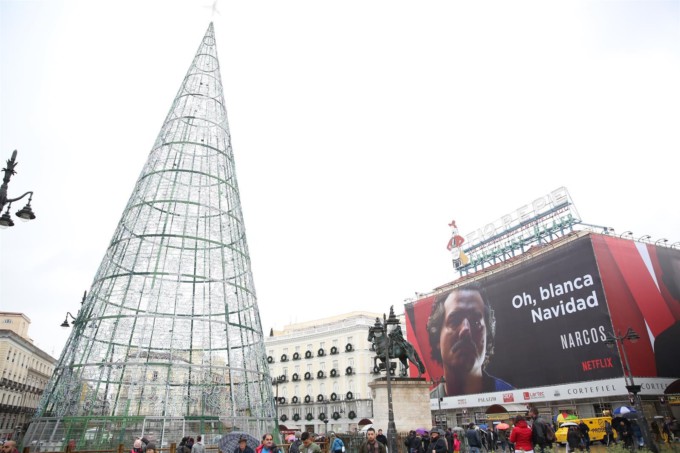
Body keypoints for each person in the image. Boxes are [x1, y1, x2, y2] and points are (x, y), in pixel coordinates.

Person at [427, 283, 513, 397]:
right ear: (437, 336)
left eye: (476, 322)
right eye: (455, 320)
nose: (465, 330)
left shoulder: (514, 398)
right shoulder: (426, 407)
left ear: (487, 336)